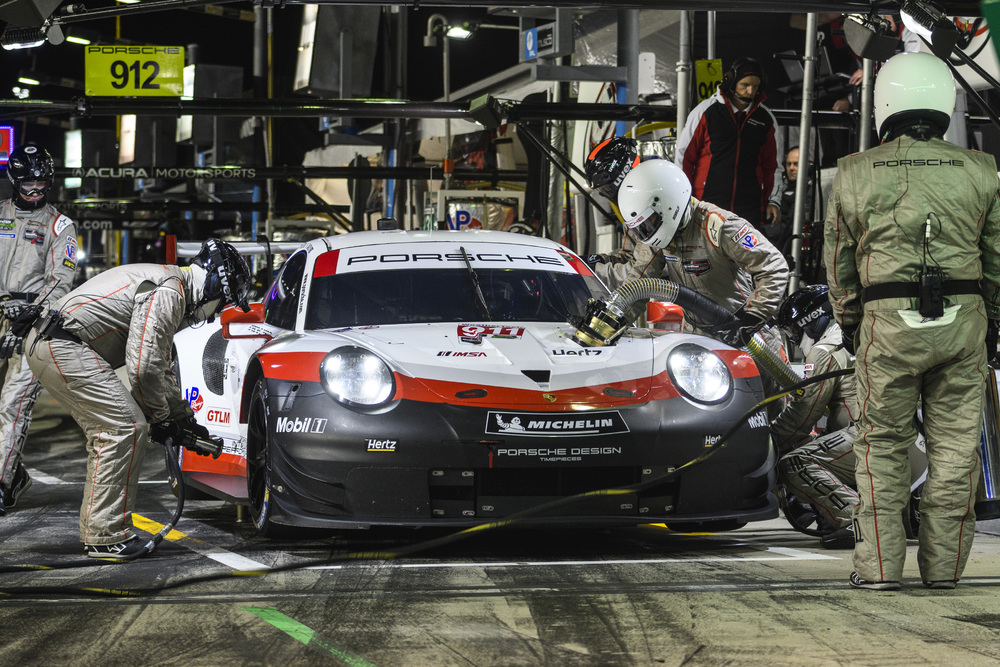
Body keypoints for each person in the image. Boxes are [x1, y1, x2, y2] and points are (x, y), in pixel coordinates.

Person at [825, 51, 1000, 590]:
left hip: (886, 324)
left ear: (883, 105)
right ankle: (943, 572)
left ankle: (878, 569)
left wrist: (851, 321)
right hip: (963, 322)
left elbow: (839, 261)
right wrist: (991, 322)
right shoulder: (982, 169)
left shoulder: (854, 171)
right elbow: (996, 259)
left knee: (881, 446)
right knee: (956, 451)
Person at [24, 238, 252, 560]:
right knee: (124, 428)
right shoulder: (170, 292)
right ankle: (105, 536)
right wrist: (160, 418)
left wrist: (182, 418)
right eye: (222, 303)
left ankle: (102, 532)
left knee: (119, 428)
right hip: (62, 344)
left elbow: (159, 367)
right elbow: (144, 368)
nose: (216, 313)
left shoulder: (171, 285)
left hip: (55, 342)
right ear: (215, 286)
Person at [616, 158, 789, 347]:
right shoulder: (658, 239)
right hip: (698, 335)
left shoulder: (719, 225)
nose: (646, 232)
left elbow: (774, 266)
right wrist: (613, 318)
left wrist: (752, 318)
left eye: (649, 223)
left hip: (746, 332)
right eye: (641, 228)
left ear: (668, 204)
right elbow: (639, 282)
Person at [0, 145, 78, 516]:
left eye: (42, 183)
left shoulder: (60, 226)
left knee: (12, 404)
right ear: (14, 181)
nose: (35, 190)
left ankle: (1, 483)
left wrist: (28, 314)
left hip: (34, 324)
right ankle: (14, 473)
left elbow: (61, 279)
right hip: (1, 311)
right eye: (28, 184)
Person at [772, 284, 859, 549]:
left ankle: (857, 519)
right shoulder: (854, 334)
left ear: (811, 321)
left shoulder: (824, 350)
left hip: (867, 434)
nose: (795, 338)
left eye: (794, 330)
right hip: (902, 434)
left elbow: (803, 413)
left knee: (794, 463)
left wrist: (767, 440)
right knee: (809, 443)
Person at [674, 57, 783, 234]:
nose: (750, 91)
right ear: (731, 82)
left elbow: (773, 166)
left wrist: (773, 201)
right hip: (706, 205)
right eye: (745, 85)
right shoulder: (705, 111)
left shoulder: (766, 119)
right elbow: (684, 157)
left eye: (755, 86)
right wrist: (683, 198)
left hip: (749, 209)